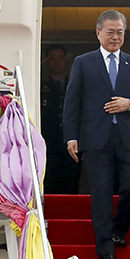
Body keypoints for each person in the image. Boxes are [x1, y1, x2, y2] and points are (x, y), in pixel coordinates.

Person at [63, 11, 130, 259]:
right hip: (96, 140)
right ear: (99, 33)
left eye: (120, 32)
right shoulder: (83, 62)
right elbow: (73, 103)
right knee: (101, 196)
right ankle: (106, 252)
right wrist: (71, 136)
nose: (115, 37)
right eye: (111, 32)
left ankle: (117, 230)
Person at [39, 45, 79, 193]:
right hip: (47, 142)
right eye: (52, 59)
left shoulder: (75, 85)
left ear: (66, 60)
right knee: (49, 182)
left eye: (60, 58)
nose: (56, 62)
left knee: (71, 182)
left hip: (72, 142)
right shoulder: (40, 86)